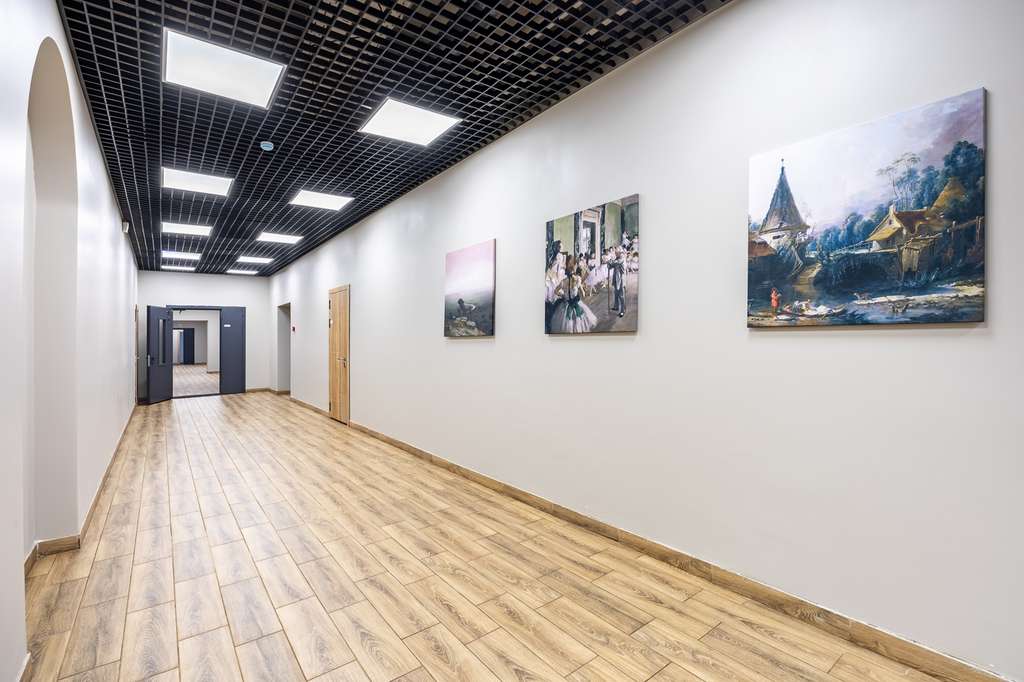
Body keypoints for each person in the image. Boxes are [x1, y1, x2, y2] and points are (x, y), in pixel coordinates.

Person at [550, 266, 598, 333]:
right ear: (574, 272)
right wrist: (581, 292)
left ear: (566, 273)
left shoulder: (563, 282)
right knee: (578, 318)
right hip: (576, 303)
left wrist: (563, 295)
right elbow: (583, 294)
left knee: (567, 320)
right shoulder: (578, 279)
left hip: (567, 304)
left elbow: (555, 291)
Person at [610, 249, 627, 318]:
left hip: (620, 279)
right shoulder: (617, 259)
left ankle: (622, 310)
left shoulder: (622, 259)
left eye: (617, 253)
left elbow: (615, 263)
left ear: (620, 253)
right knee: (616, 293)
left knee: (621, 295)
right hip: (616, 278)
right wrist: (610, 263)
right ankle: (616, 306)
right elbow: (611, 265)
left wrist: (611, 262)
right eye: (615, 253)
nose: (616, 254)